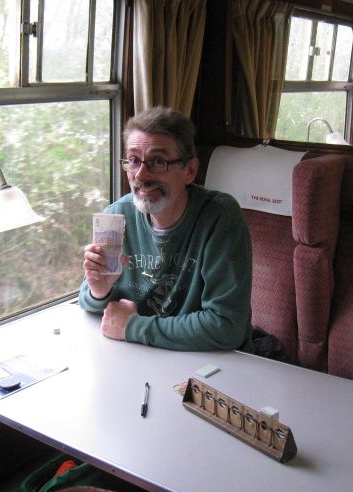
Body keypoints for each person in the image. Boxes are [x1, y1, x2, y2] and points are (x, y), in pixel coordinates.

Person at [79, 106, 252, 351]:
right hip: (141, 354)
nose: (141, 174)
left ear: (189, 171)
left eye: (157, 162)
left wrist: (133, 327)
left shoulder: (220, 217)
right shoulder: (117, 216)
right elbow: (92, 305)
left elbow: (226, 326)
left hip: (208, 363)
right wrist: (99, 291)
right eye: (134, 160)